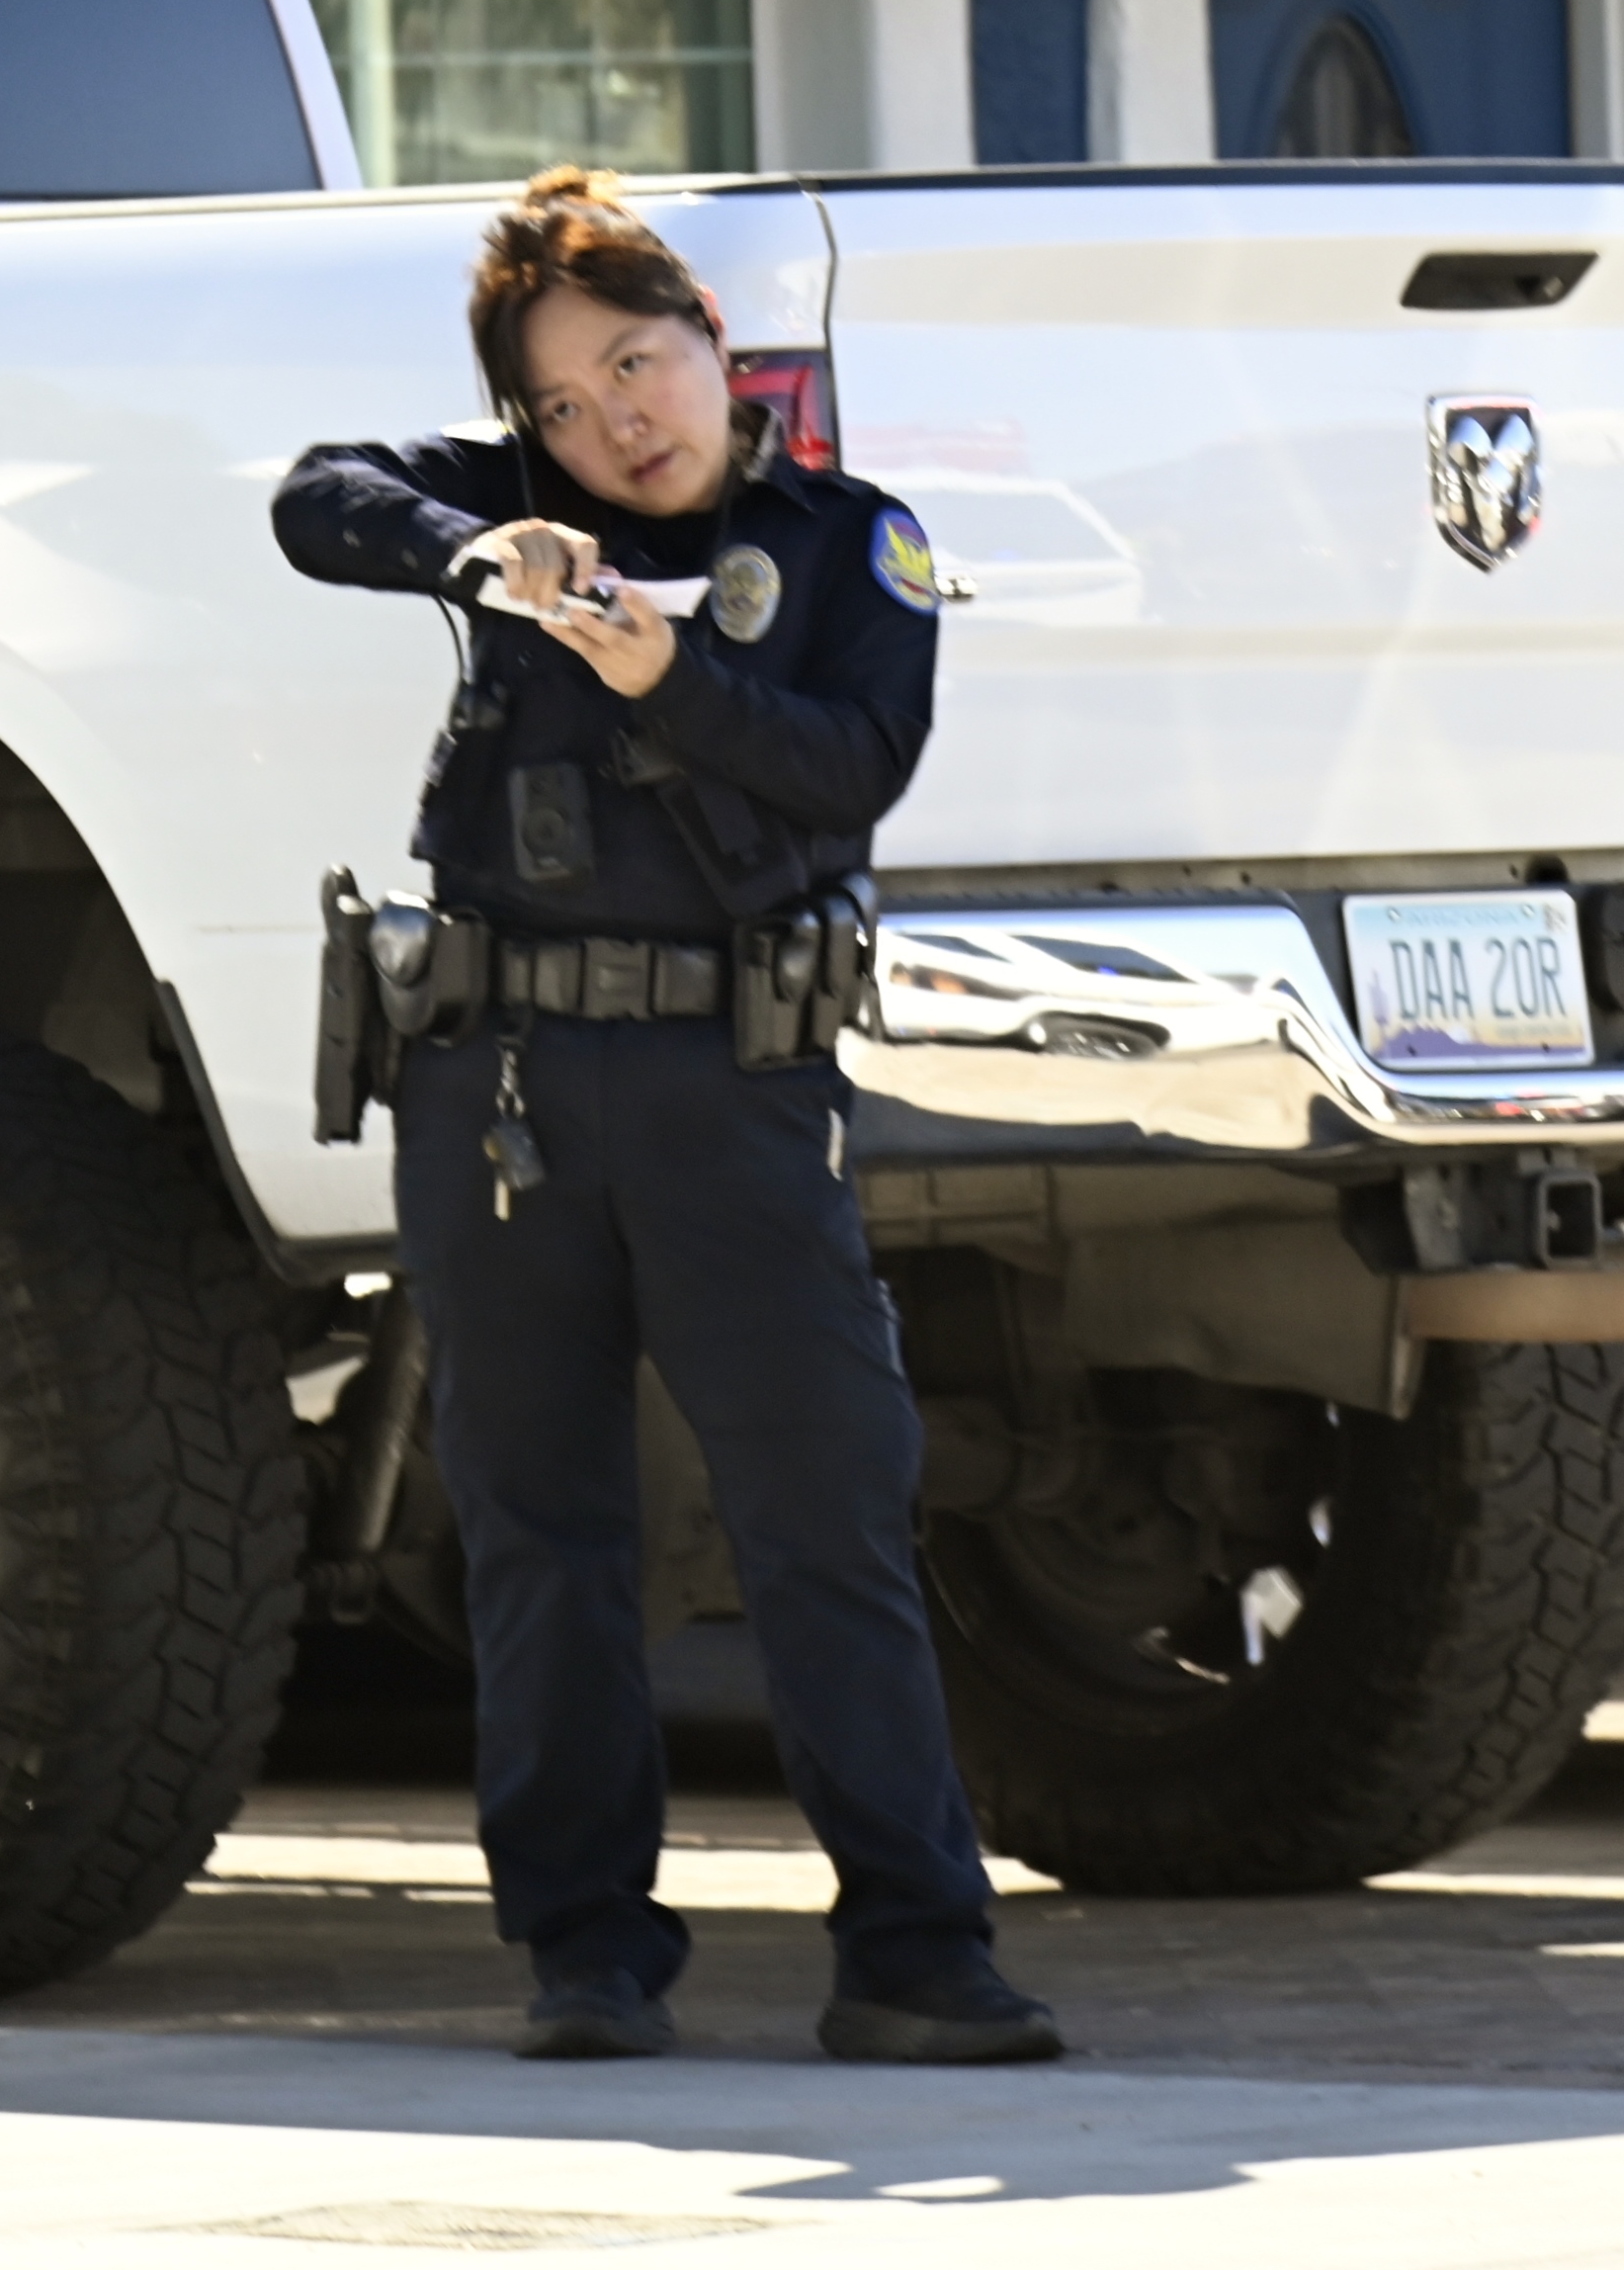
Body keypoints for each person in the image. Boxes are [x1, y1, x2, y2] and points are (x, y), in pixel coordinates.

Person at [273, 169, 1060, 2066]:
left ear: (713, 341)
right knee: (539, 1527)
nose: (616, 422)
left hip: (733, 1083)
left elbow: (850, 768)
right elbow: (313, 497)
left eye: (637, 364)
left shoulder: (850, 545)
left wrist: (665, 673)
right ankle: (588, 1956)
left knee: (825, 1517)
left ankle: (917, 1955)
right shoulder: (517, 512)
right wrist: (481, 550)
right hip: (502, 1087)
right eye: (564, 402)